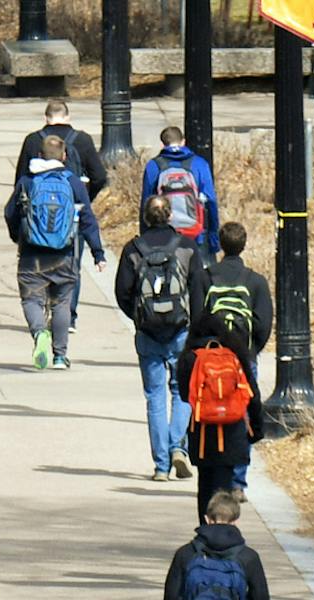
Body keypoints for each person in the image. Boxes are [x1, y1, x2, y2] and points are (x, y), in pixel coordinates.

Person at [115, 196, 211, 482]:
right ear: (170, 215)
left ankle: (160, 465)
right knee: (183, 392)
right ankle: (177, 446)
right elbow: (198, 290)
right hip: (181, 329)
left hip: (147, 333)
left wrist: (139, 317)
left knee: (154, 397)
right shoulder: (185, 247)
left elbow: (122, 292)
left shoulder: (133, 249)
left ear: (146, 217)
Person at [5, 133, 108, 372]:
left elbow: (10, 212)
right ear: (64, 156)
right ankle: (60, 356)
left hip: (32, 254)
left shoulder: (27, 181)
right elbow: (87, 219)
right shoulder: (72, 182)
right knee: (61, 303)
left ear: (39, 155)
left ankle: (40, 332)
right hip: (64, 254)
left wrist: (17, 236)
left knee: (31, 299)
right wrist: (98, 253)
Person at [12, 100, 109, 330]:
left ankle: (41, 310)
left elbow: (19, 182)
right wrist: (85, 197)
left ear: (46, 118)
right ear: (67, 116)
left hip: (36, 219)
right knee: (71, 265)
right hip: (71, 215)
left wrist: (18, 227)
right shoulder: (82, 140)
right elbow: (100, 176)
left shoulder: (33, 140)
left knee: (36, 264)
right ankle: (68, 316)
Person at [202, 221, 273, 493]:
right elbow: (265, 323)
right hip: (244, 358)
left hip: (211, 358)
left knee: (212, 411)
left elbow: (198, 317)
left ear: (221, 244)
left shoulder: (205, 277)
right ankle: (238, 481)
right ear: (244, 245)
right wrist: (251, 350)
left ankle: (215, 469)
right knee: (242, 413)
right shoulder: (256, 281)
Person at [173, 319, 262, 520]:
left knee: (205, 483)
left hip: (203, 432)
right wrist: (256, 428)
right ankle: (224, 532)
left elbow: (184, 394)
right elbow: (252, 393)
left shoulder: (190, 357)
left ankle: (205, 531)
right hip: (233, 430)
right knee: (224, 484)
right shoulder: (235, 354)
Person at [139, 127, 221, 258]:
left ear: (163, 144)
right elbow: (210, 200)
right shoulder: (199, 164)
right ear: (183, 141)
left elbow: (146, 204)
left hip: (163, 238)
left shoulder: (154, 166)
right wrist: (213, 238)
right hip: (196, 234)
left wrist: (145, 236)